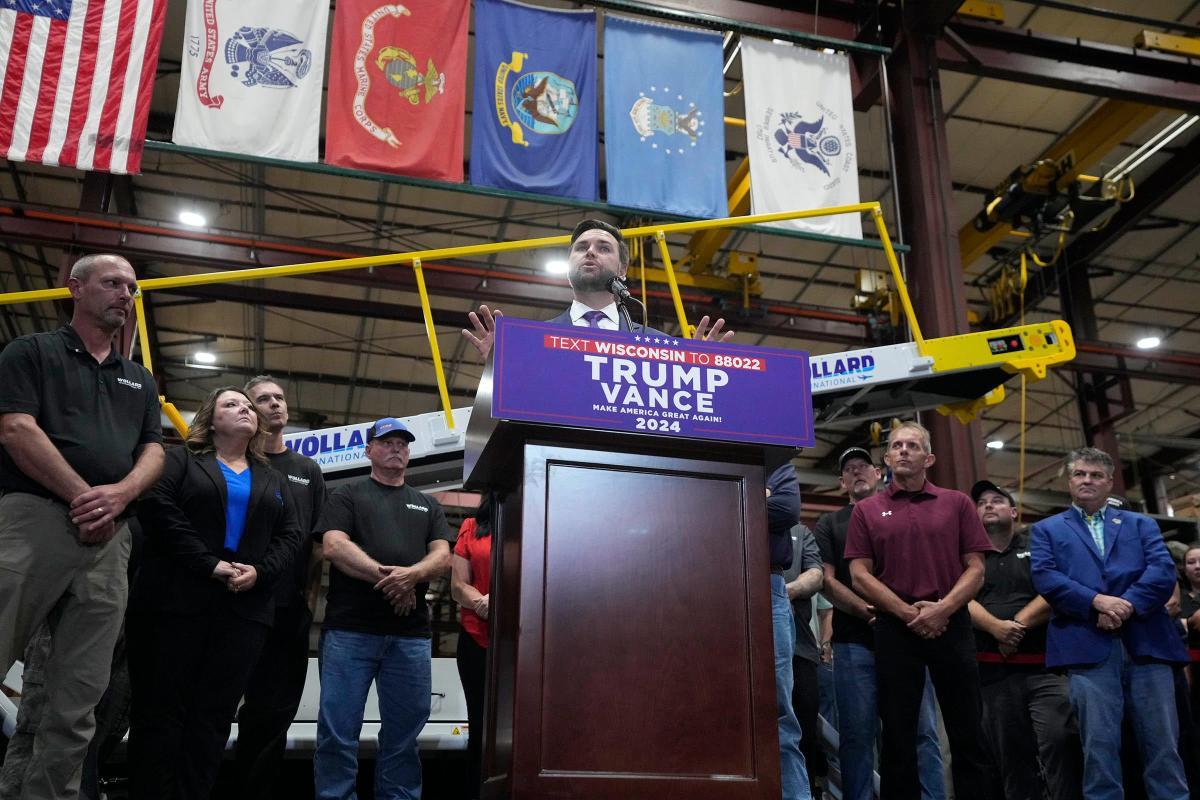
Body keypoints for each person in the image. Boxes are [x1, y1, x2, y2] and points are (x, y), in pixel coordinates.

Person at [0, 253, 165, 799]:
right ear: (75, 288)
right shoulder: (31, 353)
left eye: (133, 288)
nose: (125, 293)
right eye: (113, 282)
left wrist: (118, 497)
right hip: (33, 520)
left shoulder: (139, 380)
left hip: (108, 543)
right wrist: (84, 498)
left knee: (77, 701)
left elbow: (153, 452)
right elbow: (17, 429)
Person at [127, 386, 301, 800]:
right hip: (175, 605)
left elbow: (291, 535)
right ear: (211, 418)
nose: (244, 409)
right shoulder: (180, 460)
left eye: (247, 405)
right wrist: (209, 563)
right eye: (231, 404)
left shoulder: (272, 478)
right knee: (161, 714)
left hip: (243, 613)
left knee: (213, 717)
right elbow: (158, 508)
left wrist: (260, 572)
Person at [844, 421, 997, 800]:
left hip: (952, 624)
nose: (903, 450)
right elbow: (859, 573)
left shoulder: (957, 503)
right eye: (896, 445)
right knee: (897, 733)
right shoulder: (866, 511)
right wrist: (908, 614)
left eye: (912, 445)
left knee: (968, 732)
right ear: (887, 458)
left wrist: (942, 610)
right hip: (896, 629)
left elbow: (976, 567)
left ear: (928, 457)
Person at [1030, 446, 1189, 800]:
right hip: (1087, 647)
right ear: (1069, 481)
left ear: (1110, 482)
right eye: (1080, 474)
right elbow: (1046, 578)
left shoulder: (1142, 524)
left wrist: (1126, 605)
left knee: (1163, 746)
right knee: (1098, 748)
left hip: (1147, 644)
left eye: (1096, 475)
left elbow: (1162, 571)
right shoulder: (1045, 530)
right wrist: (1096, 602)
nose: (1087, 480)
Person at [314, 417, 453, 800]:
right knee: (338, 733)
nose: (397, 449)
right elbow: (334, 546)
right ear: (369, 450)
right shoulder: (347, 495)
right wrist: (392, 579)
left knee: (404, 737)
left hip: (409, 638)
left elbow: (442, 557)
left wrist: (412, 576)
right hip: (350, 632)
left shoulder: (427, 504)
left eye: (403, 444)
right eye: (387, 442)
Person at [813, 446, 947, 800]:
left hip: (909, 639)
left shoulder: (903, 513)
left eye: (863, 466)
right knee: (857, 734)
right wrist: (867, 611)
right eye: (849, 469)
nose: (857, 472)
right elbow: (827, 580)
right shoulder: (829, 524)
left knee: (920, 732)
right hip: (855, 642)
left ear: (878, 473)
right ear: (842, 482)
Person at [235, 375, 327, 799]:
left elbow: (316, 543)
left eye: (279, 397)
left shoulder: (308, 470)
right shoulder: (238, 463)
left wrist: (308, 601)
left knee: (273, 718)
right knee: (216, 707)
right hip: (235, 606)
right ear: (248, 412)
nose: (275, 404)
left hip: (288, 611)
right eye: (263, 399)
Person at [461, 218, 733, 360]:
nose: (590, 252)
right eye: (581, 248)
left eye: (603, 248)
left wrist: (698, 367)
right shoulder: (534, 341)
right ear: (569, 265)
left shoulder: (661, 345)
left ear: (623, 270)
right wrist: (499, 367)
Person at [967, 479, 1082, 800]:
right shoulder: (969, 557)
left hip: (1045, 670)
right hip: (993, 676)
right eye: (982, 502)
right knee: (1011, 757)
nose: (989, 505)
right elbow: (959, 599)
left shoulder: (1039, 545)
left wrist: (1015, 626)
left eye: (997, 500)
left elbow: (1056, 591)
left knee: (1060, 742)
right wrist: (995, 628)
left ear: (1014, 511)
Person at [767, 461, 812, 800]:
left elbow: (786, 509)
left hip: (768, 584)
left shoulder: (777, 462)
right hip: (708, 582)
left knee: (780, 709)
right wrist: (761, 495)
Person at [450, 494, 494, 800]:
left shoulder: (537, 518)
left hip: (524, 645)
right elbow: (457, 586)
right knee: (480, 730)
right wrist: (483, 602)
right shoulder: (472, 526)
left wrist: (503, 598)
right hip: (476, 640)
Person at [783, 522, 826, 798]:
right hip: (749, 649)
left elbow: (816, 575)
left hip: (800, 648)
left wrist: (785, 591)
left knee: (804, 735)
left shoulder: (800, 532)